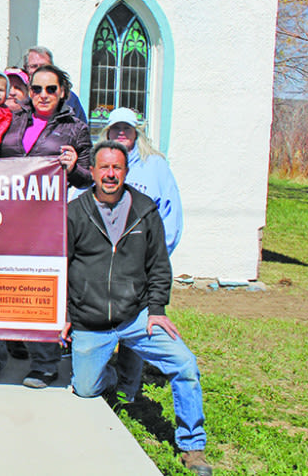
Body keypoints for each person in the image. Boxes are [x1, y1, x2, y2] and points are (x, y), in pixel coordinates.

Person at [63, 141, 212, 476]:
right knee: (86, 390)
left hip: (137, 317)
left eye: (117, 167)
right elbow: (63, 264)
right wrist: (67, 315)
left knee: (185, 364)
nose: (110, 174)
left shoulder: (145, 209)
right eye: (104, 167)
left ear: (126, 171)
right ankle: (110, 373)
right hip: (91, 321)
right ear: (94, 172)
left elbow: (159, 265)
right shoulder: (75, 212)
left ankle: (193, 445)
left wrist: (157, 309)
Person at [0, 63, 92, 388]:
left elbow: (87, 177)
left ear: (62, 92)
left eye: (50, 89)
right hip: (7, 219)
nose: (42, 95)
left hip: (45, 225)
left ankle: (44, 363)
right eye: (36, 89)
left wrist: (73, 168)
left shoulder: (75, 129)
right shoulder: (13, 119)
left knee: (39, 290)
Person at [99, 106, 184, 403]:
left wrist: (159, 254)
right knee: (102, 319)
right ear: (107, 132)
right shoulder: (101, 163)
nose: (121, 133)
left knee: (137, 325)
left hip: (141, 262)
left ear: (137, 132)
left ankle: (127, 388)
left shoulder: (156, 166)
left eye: (127, 128)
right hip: (104, 261)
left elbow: (171, 214)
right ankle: (99, 375)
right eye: (116, 129)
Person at [23, 45, 87, 122]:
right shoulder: (19, 95)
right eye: (34, 66)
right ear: (25, 68)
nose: (39, 69)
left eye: (44, 66)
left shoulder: (69, 99)